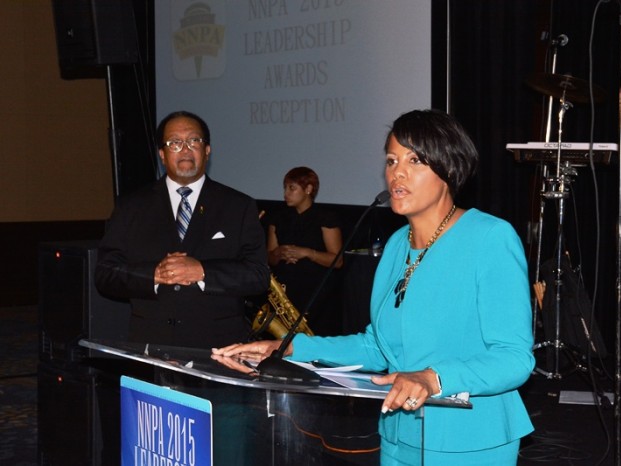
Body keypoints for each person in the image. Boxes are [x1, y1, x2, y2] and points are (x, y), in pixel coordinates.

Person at [212, 109, 534, 465]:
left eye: (414, 160)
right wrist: (287, 348)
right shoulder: (397, 244)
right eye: (392, 160)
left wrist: (433, 379)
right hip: (398, 432)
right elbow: (377, 347)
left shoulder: (489, 238)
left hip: (469, 438)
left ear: (449, 167)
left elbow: (514, 357)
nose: (396, 172)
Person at [95, 110, 270, 348]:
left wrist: (202, 271)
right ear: (162, 154)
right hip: (151, 344)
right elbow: (106, 274)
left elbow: (258, 276)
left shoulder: (238, 205)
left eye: (193, 141)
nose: (185, 149)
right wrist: (154, 274)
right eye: (174, 143)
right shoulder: (131, 206)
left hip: (219, 348)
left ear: (207, 151)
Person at [263, 166, 344, 335]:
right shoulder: (277, 218)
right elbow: (269, 257)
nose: (286, 193)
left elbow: (337, 261)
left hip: (317, 296)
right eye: (285, 188)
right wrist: (279, 253)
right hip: (285, 293)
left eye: (292, 188)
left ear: (308, 189)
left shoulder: (325, 218)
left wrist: (307, 253)